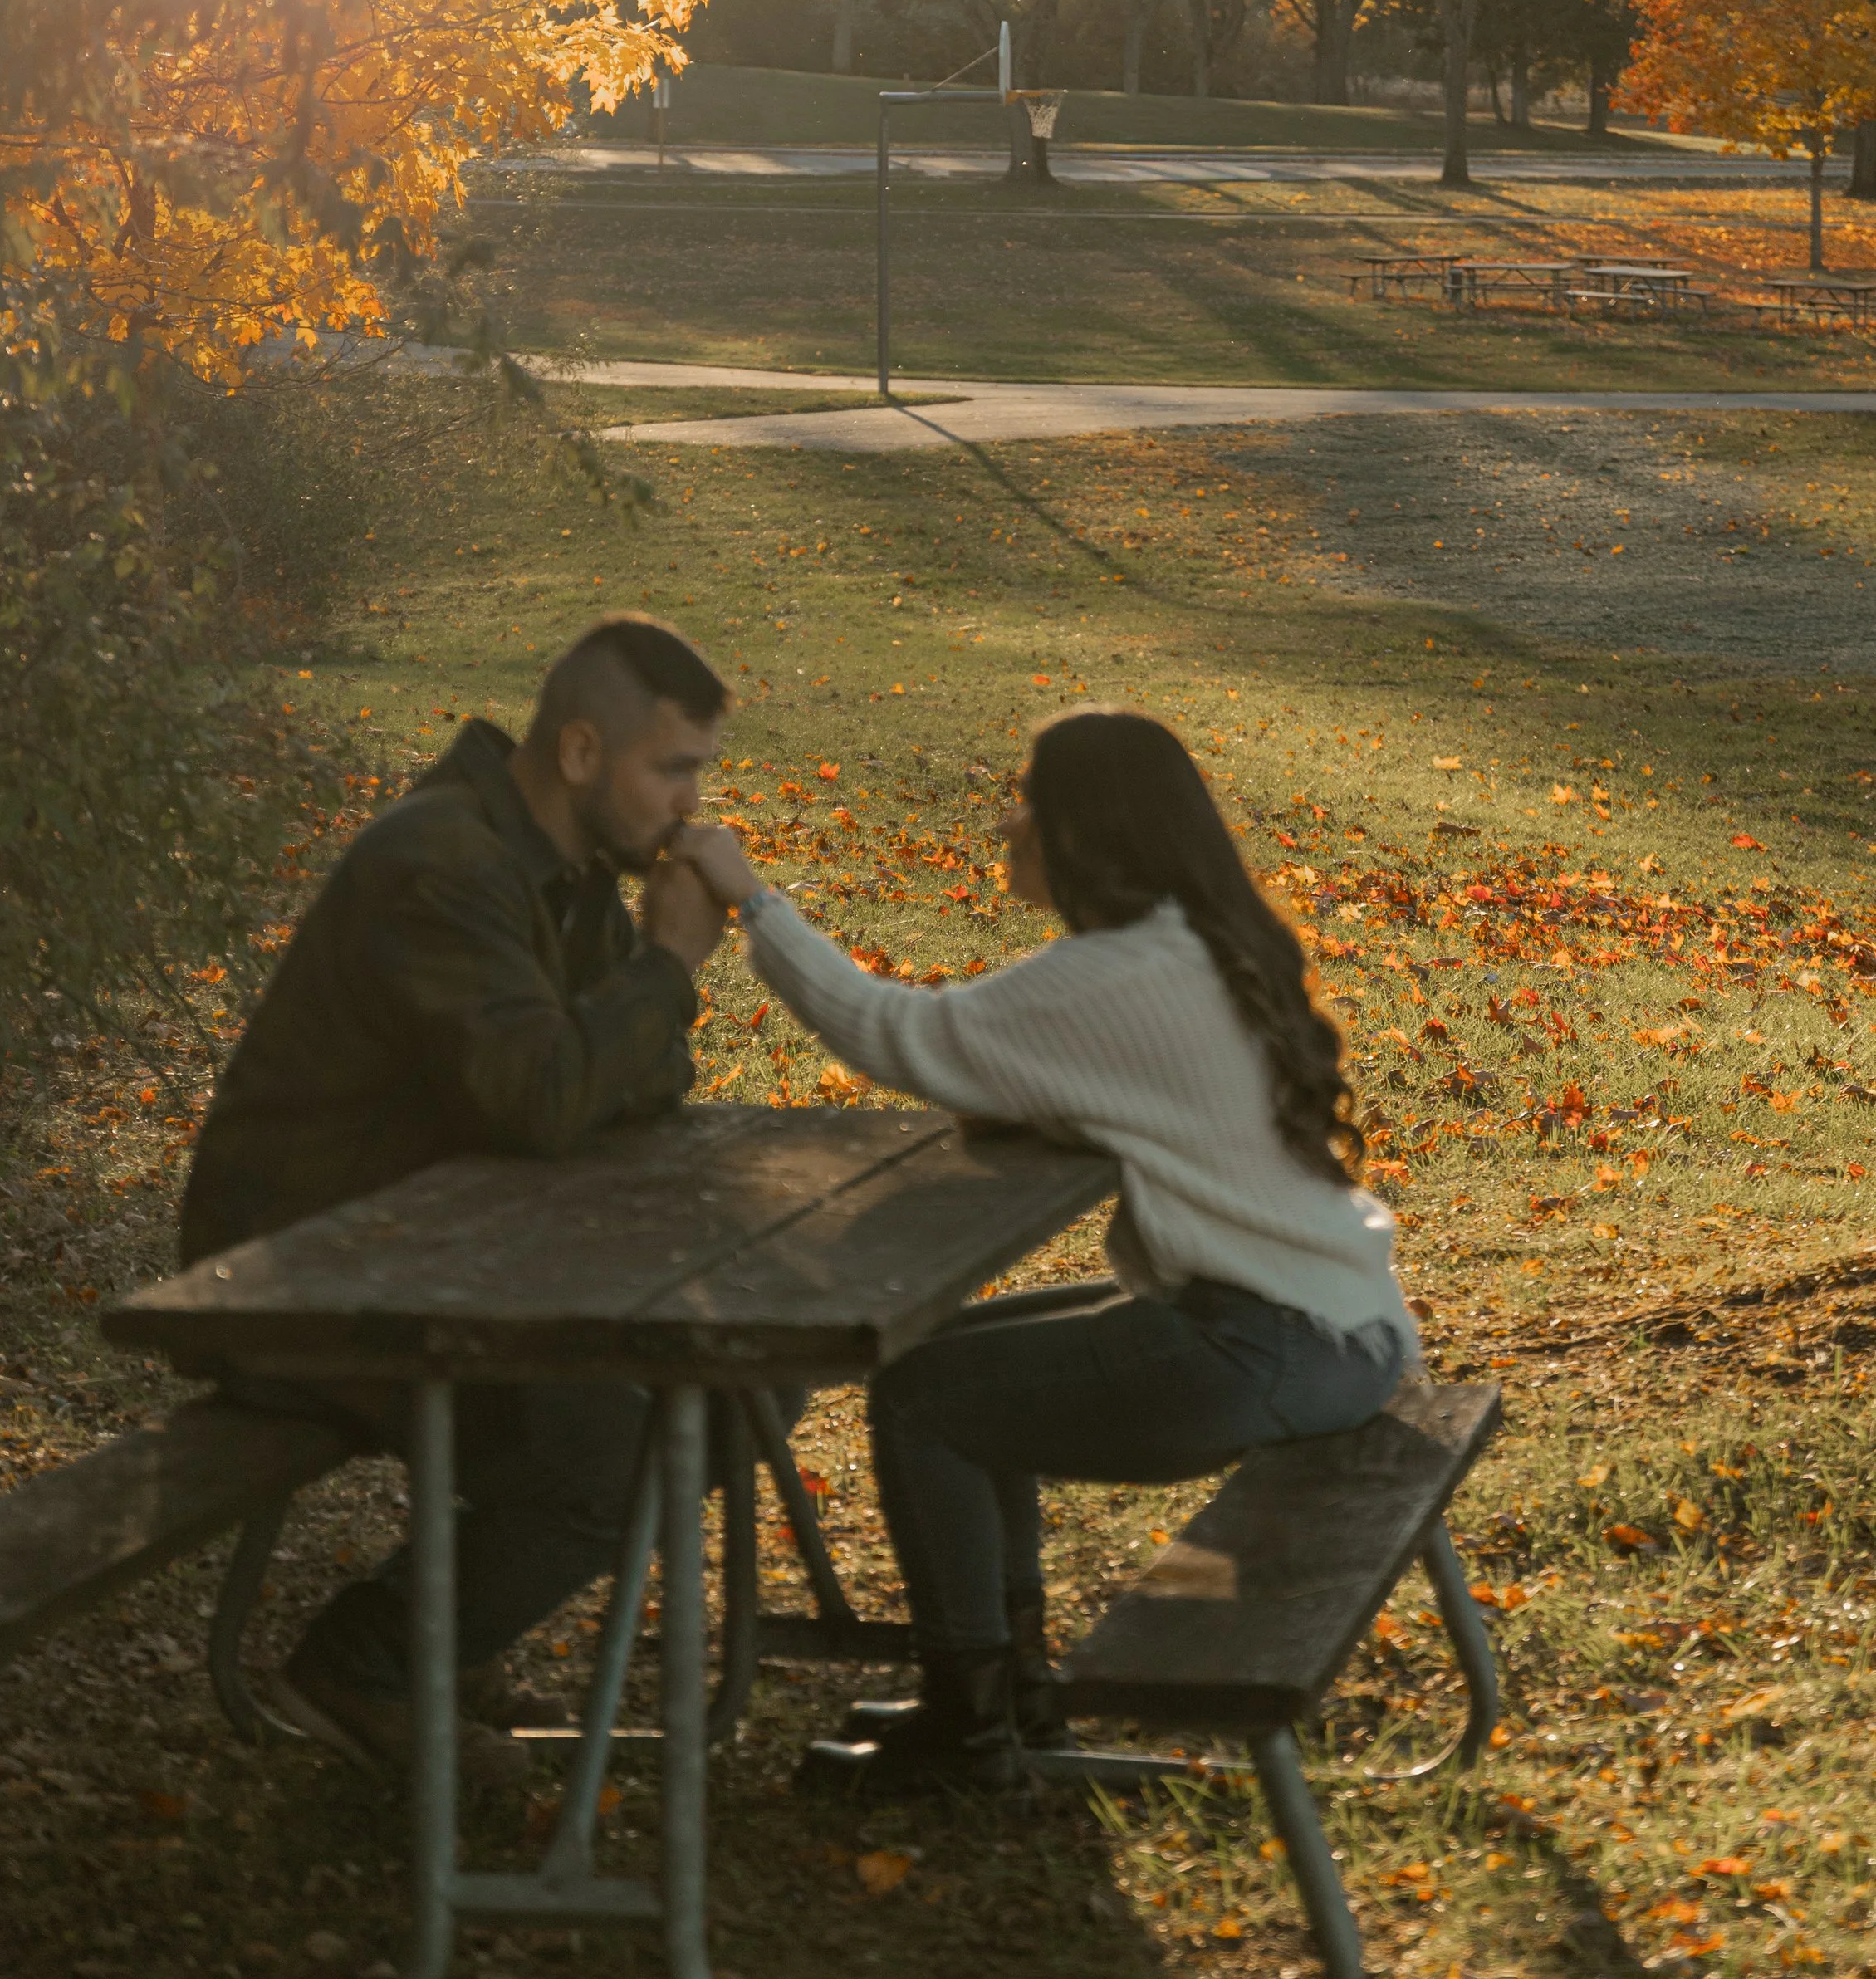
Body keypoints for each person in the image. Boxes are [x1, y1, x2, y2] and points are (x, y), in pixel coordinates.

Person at [676, 708, 1416, 1795]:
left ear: (1090, 829)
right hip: (1334, 1327)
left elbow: (894, 1031)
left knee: (927, 1399)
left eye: (1031, 797)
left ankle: (969, 1734)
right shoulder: (1193, 942)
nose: (1010, 818)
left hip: (1264, 1344)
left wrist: (750, 897)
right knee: (961, 1362)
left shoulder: (1118, 974)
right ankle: (1012, 1690)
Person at [180, 617, 732, 1776]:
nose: (691, 804)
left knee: (715, 1401)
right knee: (628, 1445)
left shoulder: (563, 866)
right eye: (671, 768)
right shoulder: (445, 862)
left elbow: (631, 1088)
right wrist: (667, 967)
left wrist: (632, 1005)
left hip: (427, 1251)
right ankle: (365, 1665)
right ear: (582, 753)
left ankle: (446, 1644)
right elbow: (545, 1097)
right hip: (300, 1273)